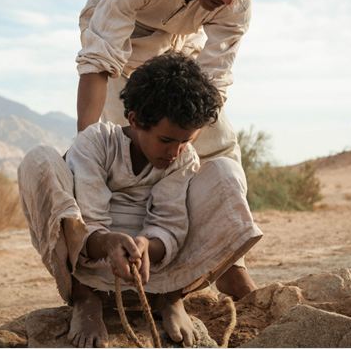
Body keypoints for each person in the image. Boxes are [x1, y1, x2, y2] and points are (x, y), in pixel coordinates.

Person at [75, 0, 277, 300]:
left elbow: (214, 82)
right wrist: (87, 141)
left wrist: (187, 140)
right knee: (129, 158)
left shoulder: (236, 2)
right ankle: (114, 274)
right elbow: (98, 60)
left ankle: (230, 268)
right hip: (121, 62)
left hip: (179, 56)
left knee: (221, 146)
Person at [18, 53, 262, 348]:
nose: (175, 151)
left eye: (186, 141)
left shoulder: (183, 158)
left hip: (158, 268)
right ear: (134, 120)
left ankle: (171, 298)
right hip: (94, 259)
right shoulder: (96, 142)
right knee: (39, 160)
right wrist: (108, 243)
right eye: (166, 140)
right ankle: (86, 299)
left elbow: (170, 223)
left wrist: (149, 246)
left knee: (226, 171)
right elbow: (88, 219)